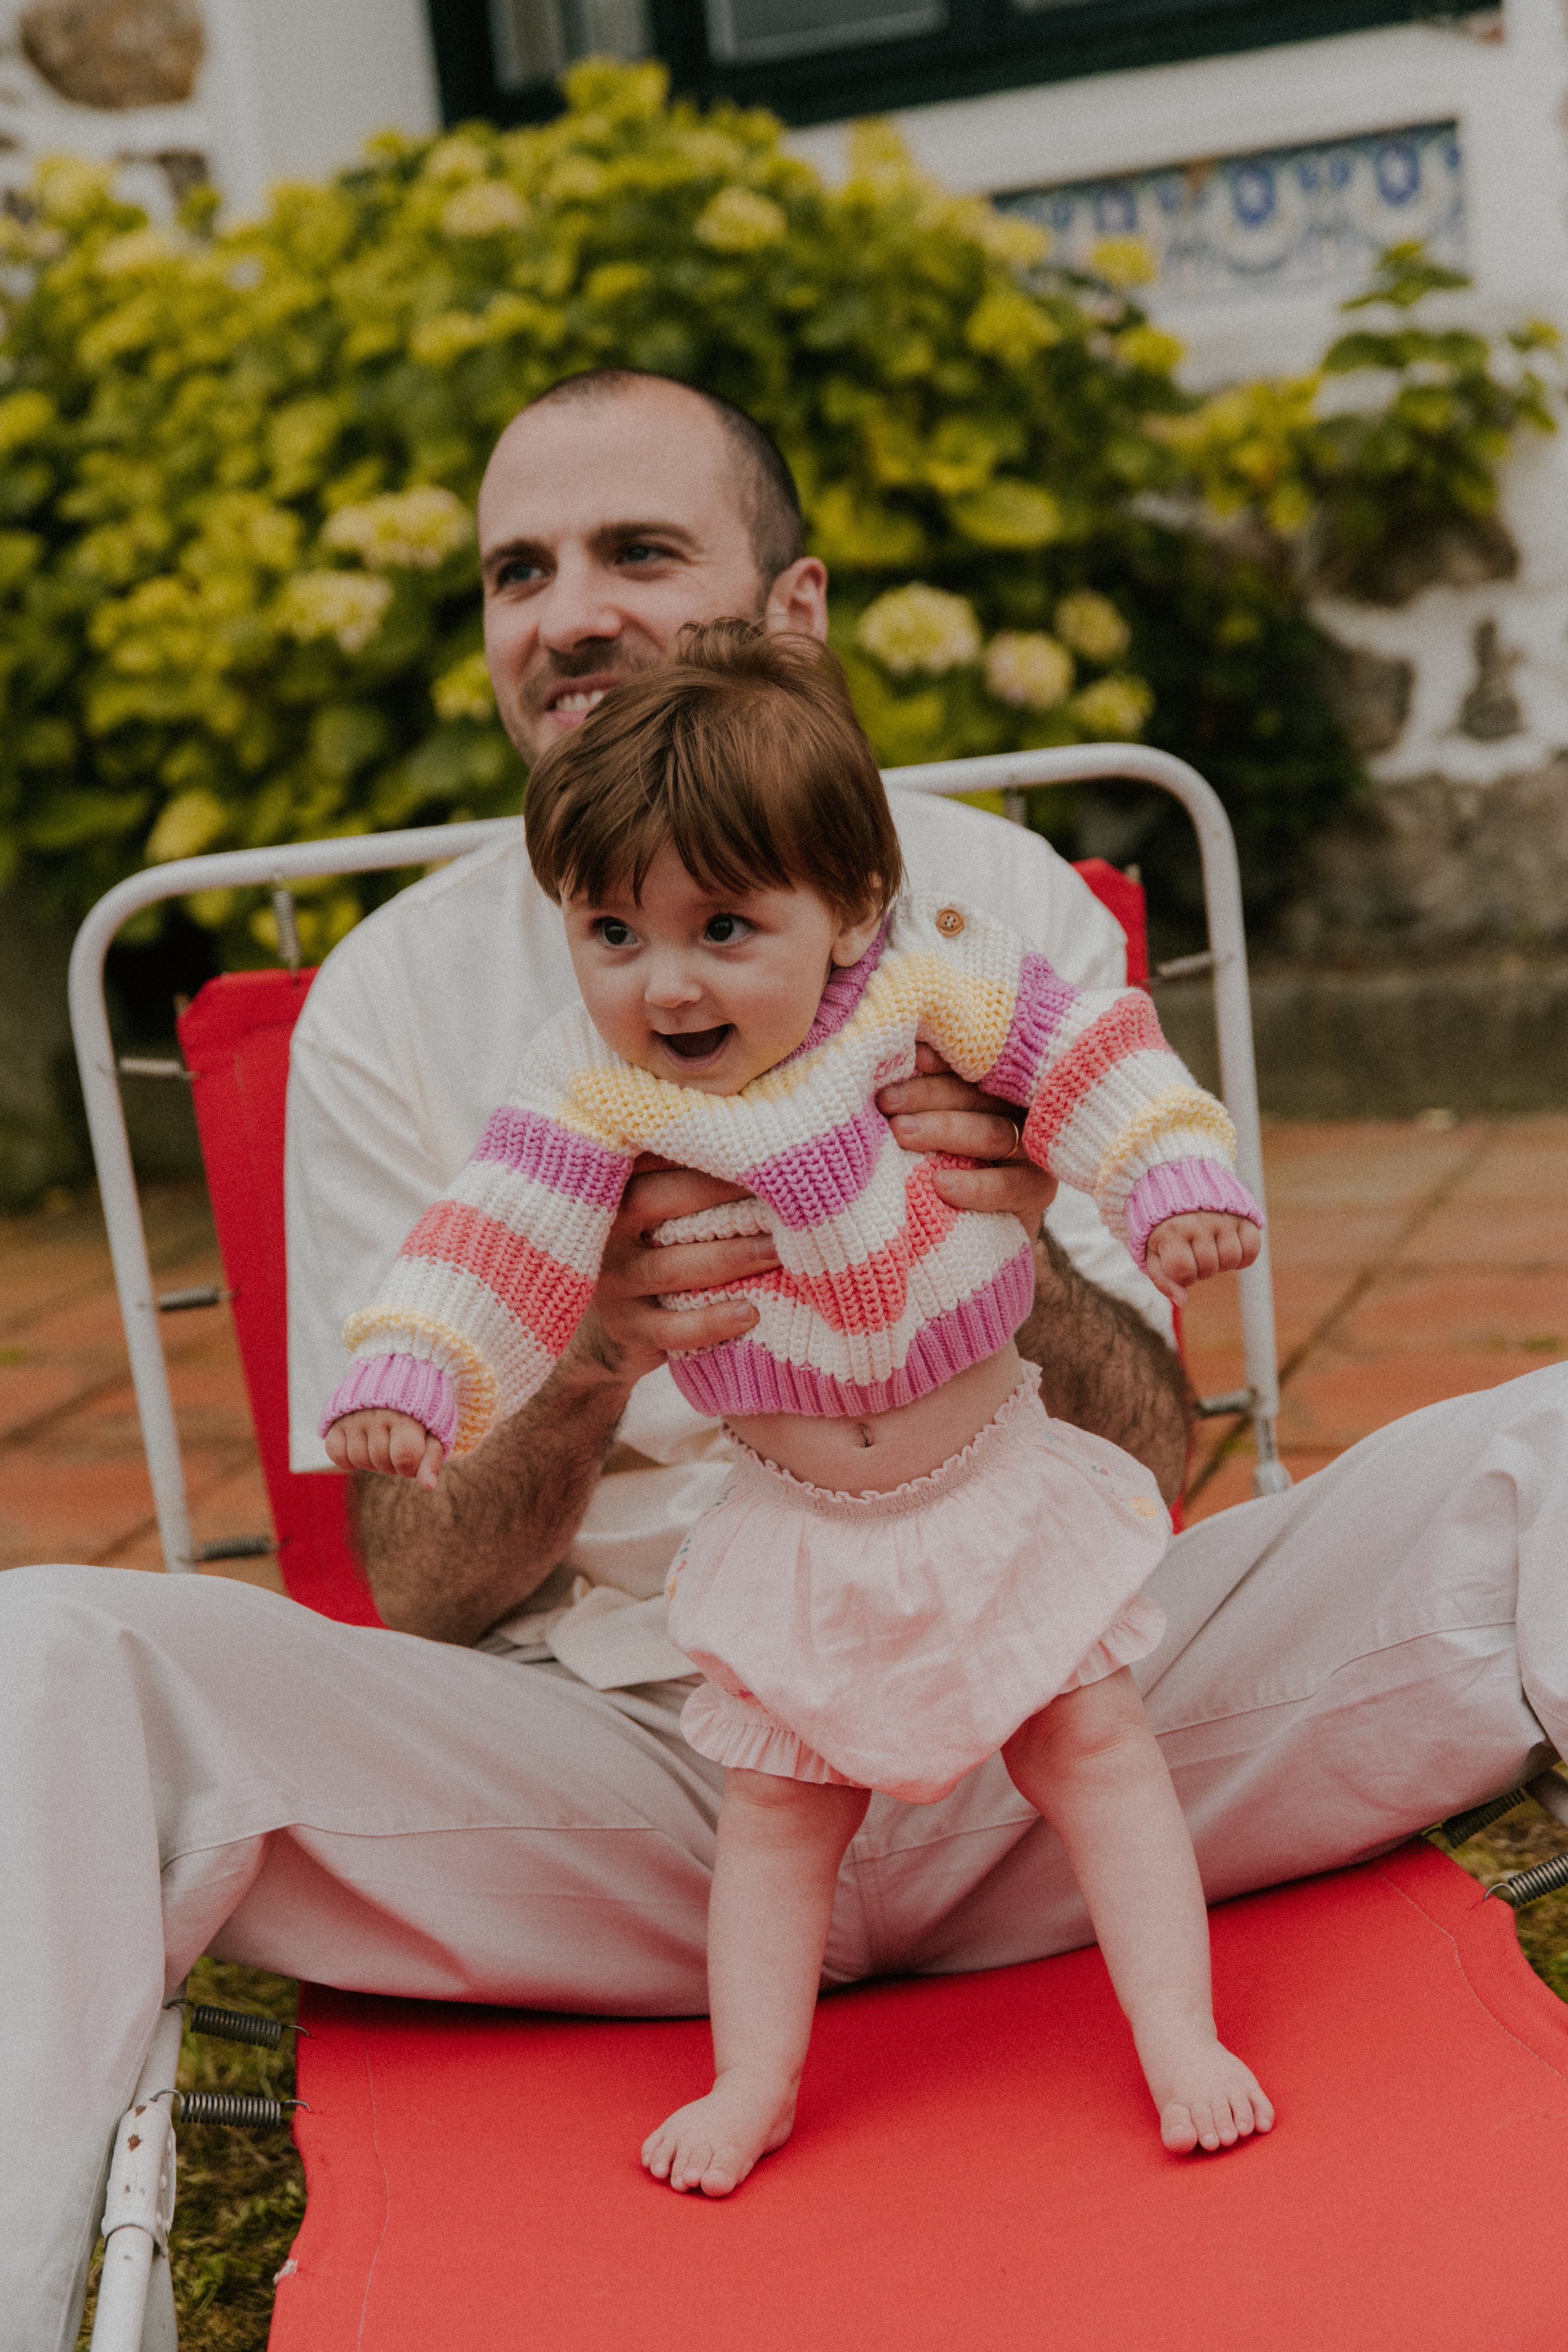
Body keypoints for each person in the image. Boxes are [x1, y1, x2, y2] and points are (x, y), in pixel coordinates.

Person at [4, 368, 1565, 2348]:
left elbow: (1160, 1453)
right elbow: (416, 1582)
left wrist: (1020, 1241)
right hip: (655, 1792)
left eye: (637, 552)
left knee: (1554, 1451)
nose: (564, 611)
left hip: (1075, 1717)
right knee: (43, 1657)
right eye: (517, 570)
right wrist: (586, 1349)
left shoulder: (981, 906)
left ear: (798, 609)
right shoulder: (398, 997)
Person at [321, 620, 1271, 2186]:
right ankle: (755, 2078)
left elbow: (1093, 1052)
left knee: (1099, 1746)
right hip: (798, 1522)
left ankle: (1181, 2037)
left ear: (851, 910)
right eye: (612, 932)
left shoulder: (925, 993)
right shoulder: (599, 1093)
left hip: (993, 1482)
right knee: (778, 1811)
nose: (667, 981)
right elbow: (487, 1231)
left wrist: (1167, 1174)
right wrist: (412, 1369)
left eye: (723, 926)